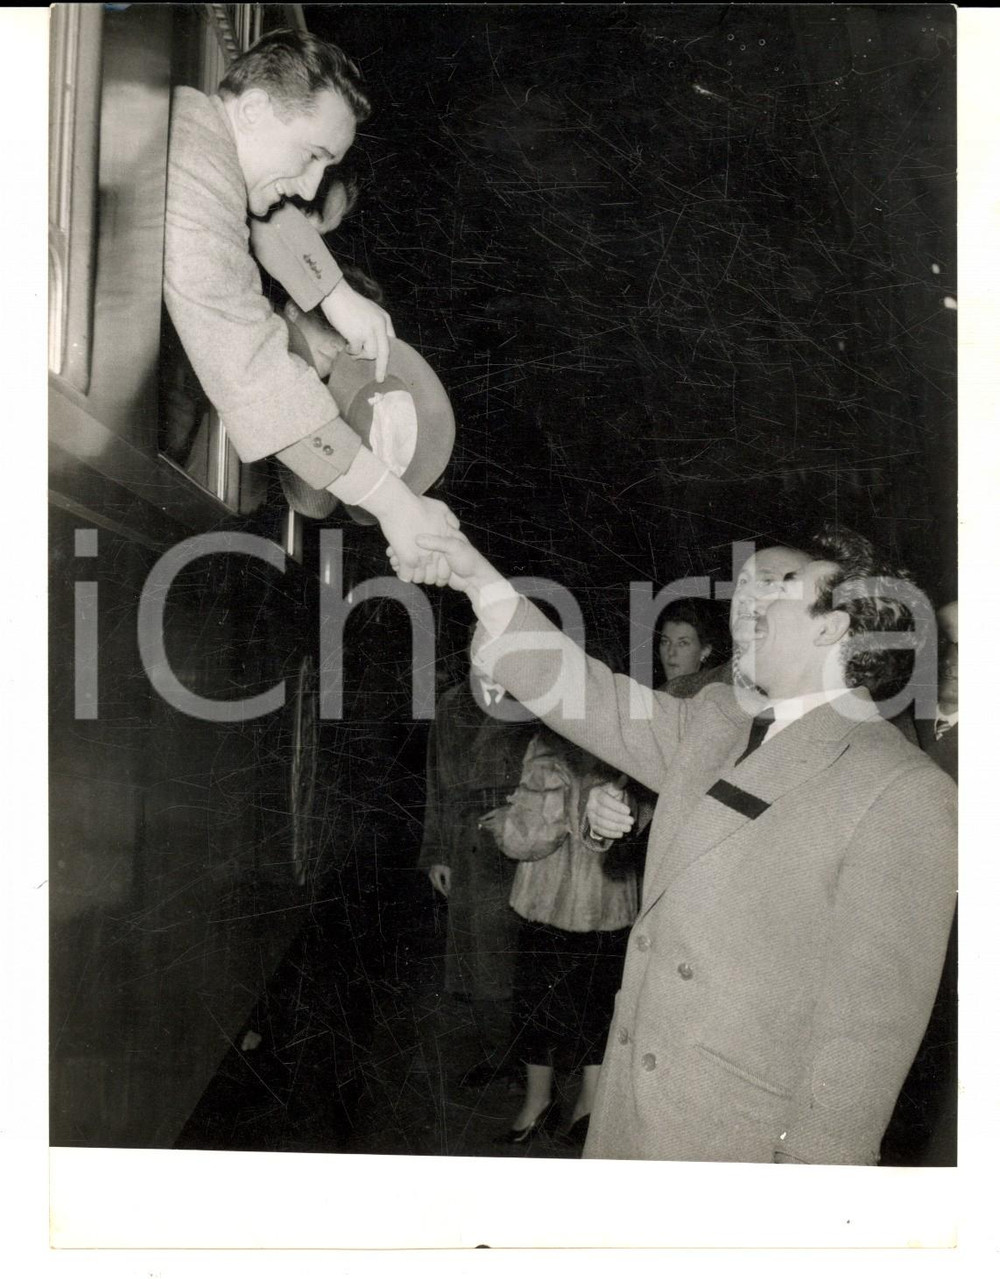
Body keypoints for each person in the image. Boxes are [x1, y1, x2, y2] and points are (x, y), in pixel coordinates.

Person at [402, 524, 957, 1164]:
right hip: (633, 1110)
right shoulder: (715, 722)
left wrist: (812, 1201)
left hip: (730, 1141)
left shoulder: (901, 789)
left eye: (783, 591)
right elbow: (587, 692)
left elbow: (865, 1043)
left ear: (829, 628)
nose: (754, 607)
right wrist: (476, 574)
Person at [164, 28, 456, 583]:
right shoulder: (194, 163)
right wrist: (394, 505)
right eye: (313, 156)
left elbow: (252, 212)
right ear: (252, 110)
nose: (308, 188)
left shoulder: (196, 135)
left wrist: (336, 295)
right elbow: (253, 372)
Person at [483, 728, 639, 1149]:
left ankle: (541, 1105)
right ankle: (583, 1111)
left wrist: (502, 823)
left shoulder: (548, 742)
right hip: (602, 898)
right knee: (592, 1006)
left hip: (552, 898)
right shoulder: (626, 733)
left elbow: (531, 833)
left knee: (538, 1005)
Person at [418, 648, 540, 1086]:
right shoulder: (452, 705)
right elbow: (436, 784)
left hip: (518, 846)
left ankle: (529, 1064)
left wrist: (519, 817)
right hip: (466, 845)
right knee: (480, 964)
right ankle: (499, 1057)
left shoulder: (533, 700)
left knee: (515, 960)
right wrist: (436, 852)